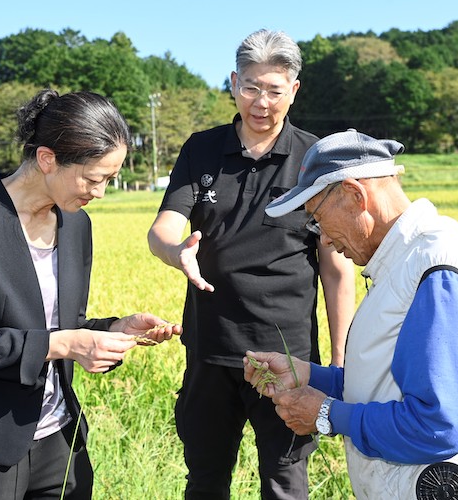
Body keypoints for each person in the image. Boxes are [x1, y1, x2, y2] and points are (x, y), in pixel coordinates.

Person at [0, 89, 181, 500]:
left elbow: (59, 326)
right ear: (47, 159)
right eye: (93, 179)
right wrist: (69, 342)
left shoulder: (77, 226)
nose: (101, 193)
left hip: (59, 438)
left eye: (109, 180)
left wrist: (113, 329)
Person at [245, 129, 458, 500]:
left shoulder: (435, 268)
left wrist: (327, 414)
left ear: (354, 195)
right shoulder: (406, 263)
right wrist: (308, 375)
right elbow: (386, 382)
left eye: (317, 218)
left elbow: (437, 426)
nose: (323, 239)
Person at [147, 29, 356, 499]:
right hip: (210, 350)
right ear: (234, 82)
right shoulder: (202, 148)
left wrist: (341, 364)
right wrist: (176, 253)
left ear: (294, 90)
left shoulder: (316, 159)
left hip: (287, 357)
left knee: (284, 482)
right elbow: (162, 230)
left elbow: (335, 267)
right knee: (205, 479)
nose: (261, 102)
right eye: (250, 87)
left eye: (274, 91)